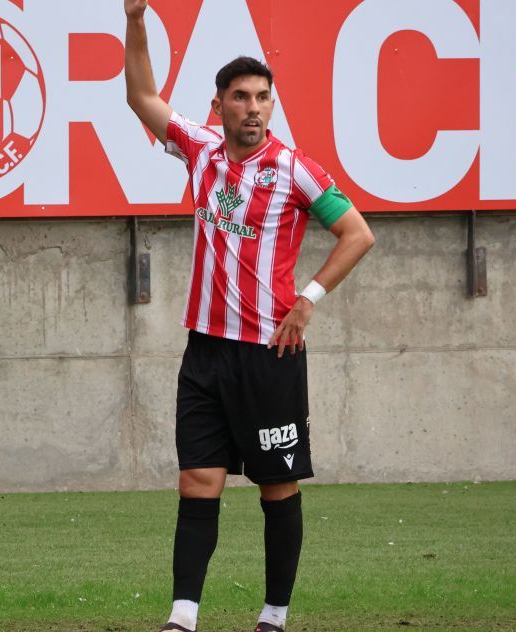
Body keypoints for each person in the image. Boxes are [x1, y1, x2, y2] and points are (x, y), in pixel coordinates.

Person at [123, 2, 376, 631]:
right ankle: (183, 617)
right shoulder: (201, 151)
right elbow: (141, 96)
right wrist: (135, 21)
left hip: (270, 355)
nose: (254, 108)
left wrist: (308, 299)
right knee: (198, 481)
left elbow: (356, 234)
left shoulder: (295, 169)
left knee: (277, 488)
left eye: (264, 97)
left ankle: (274, 615)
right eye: (241, 97)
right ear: (219, 106)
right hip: (205, 351)